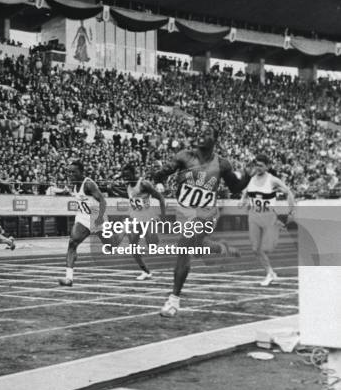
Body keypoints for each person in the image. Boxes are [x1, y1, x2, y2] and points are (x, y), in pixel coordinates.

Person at [152, 123, 251, 317]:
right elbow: (164, 171)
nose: (201, 135)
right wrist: (159, 176)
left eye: (206, 133)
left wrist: (248, 175)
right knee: (197, 248)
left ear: (215, 139)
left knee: (184, 248)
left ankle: (173, 301)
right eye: (199, 132)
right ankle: (222, 248)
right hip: (185, 212)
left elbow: (236, 188)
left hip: (206, 213)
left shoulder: (222, 164)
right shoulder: (184, 156)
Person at [240, 154, 295, 286]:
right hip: (253, 216)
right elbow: (246, 191)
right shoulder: (252, 178)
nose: (258, 168)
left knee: (265, 249)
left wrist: (291, 211)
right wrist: (243, 200)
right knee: (255, 249)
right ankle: (270, 273)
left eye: (261, 165)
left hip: (268, 216)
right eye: (256, 165)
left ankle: (270, 274)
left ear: (267, 166)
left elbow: (289, 192)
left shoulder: (273, 180)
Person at [58, 160, 107, 286]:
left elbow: (102, 201)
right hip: (83, 218)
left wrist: (100, 217)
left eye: (73, 172)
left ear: (81, 172)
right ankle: (69, 278)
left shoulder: (89, 184)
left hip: (96, 217)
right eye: (69, 172)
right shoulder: (74, 185)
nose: (70, 175)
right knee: (72, 243)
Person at [117, 164, 167, 280]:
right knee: (133, 247)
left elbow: (160, 197)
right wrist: (113, 190)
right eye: (124, 175)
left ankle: (153, 238)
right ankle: (146, 271)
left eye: (127, 175)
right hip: (135, 219)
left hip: (148, 219)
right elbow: (129, 196)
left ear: (133, 172)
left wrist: (163, 216)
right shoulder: (129, 186)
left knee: (153, 244)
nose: (125, 177)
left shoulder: (144, 184)